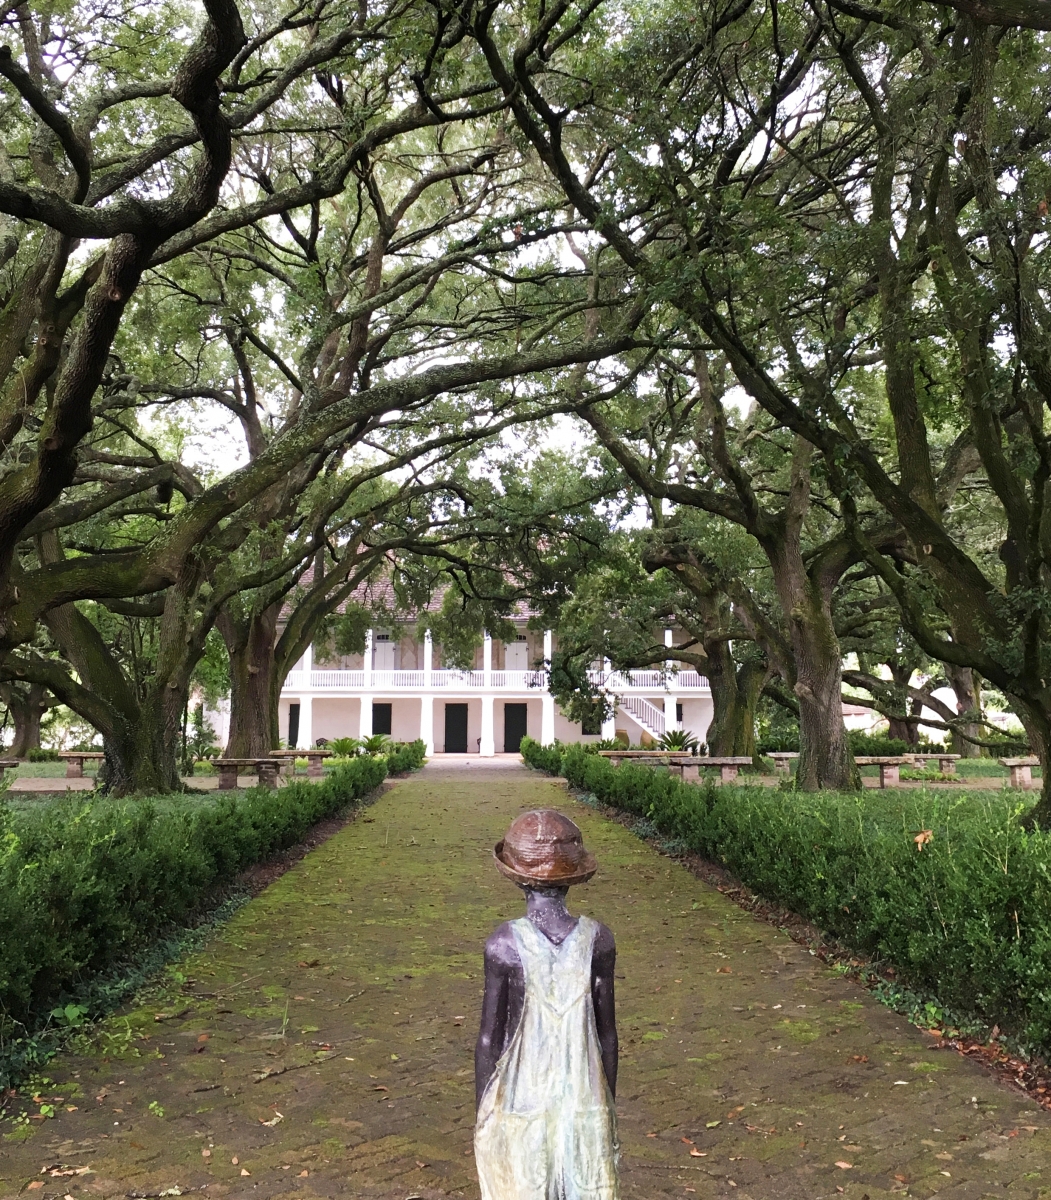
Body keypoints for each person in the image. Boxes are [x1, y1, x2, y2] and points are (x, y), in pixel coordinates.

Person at [474, 809, 619, 1200]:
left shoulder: (503, 945)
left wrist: (483, 1112)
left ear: (517, 878)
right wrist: (606, 1104)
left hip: (521, 1098)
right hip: (584, 1097)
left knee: (522, 1181)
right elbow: (607, 1036)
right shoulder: (598, 940)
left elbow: (489, 1039)